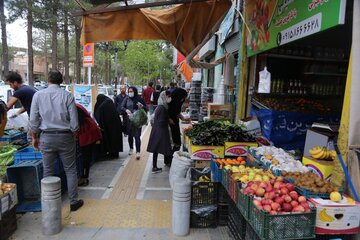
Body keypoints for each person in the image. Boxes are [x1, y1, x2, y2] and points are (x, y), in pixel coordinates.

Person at [29, 70, 83, 212]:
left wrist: (34, 137)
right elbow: (75, 122)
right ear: (61, 81)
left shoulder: (38, 95)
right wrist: (74, 133)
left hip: (46, 137)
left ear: (48, 80)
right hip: (65, 136)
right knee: (70, 169)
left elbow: (33, 120)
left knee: (48, 170)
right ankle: (74, 201)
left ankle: (49, 204)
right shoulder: (67, 96)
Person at [76, 104, 102, 186]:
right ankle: (84, 177)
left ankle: (83, 178)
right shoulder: (79, 108)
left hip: (86, 137)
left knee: (85, 158)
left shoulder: (81, 122)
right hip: (91, 135)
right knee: (87, 157)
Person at [147, 90, 173, 172]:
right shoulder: (162, 108)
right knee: (163, 147)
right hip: (161, 131)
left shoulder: (161, 106)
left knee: (156, 149)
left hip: (157, 130)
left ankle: (155, 166)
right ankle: (157, 166)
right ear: (164, 97)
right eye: (168, 96)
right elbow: (162, 121)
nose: (169, 98)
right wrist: (168, 121)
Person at [121, 86, 147, 160]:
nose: (130, 93)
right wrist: (126, 110)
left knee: (137, 136)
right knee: (130, 136)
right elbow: (121, 107)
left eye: (131, 91)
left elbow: (146, 108)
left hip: (138, 120)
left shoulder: (139, 98)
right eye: (129, 91)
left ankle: (138, 152)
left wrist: (141, 106)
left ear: (135, 92)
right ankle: (131, 148)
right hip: (129, 120)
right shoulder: (126, 98)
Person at [94, 94, 123, 158]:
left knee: (110, 139)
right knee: (114, 139)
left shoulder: (103, 105)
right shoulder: (109, 102)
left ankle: (111, 153)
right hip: (116, 125)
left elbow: (100, 117)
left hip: (108, 127)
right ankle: (115, 153)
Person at [168, 88, 188, 152]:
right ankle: (172, 148)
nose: (183, 99)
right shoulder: (170, 100)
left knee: (176, 133)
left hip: (175, 119)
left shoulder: (180, 100)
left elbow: (177, 110)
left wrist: (181, 117)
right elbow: (167, 110)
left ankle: (177, 146)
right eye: (183, 96)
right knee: (171, 134)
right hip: (169, 120)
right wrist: (169, 119)